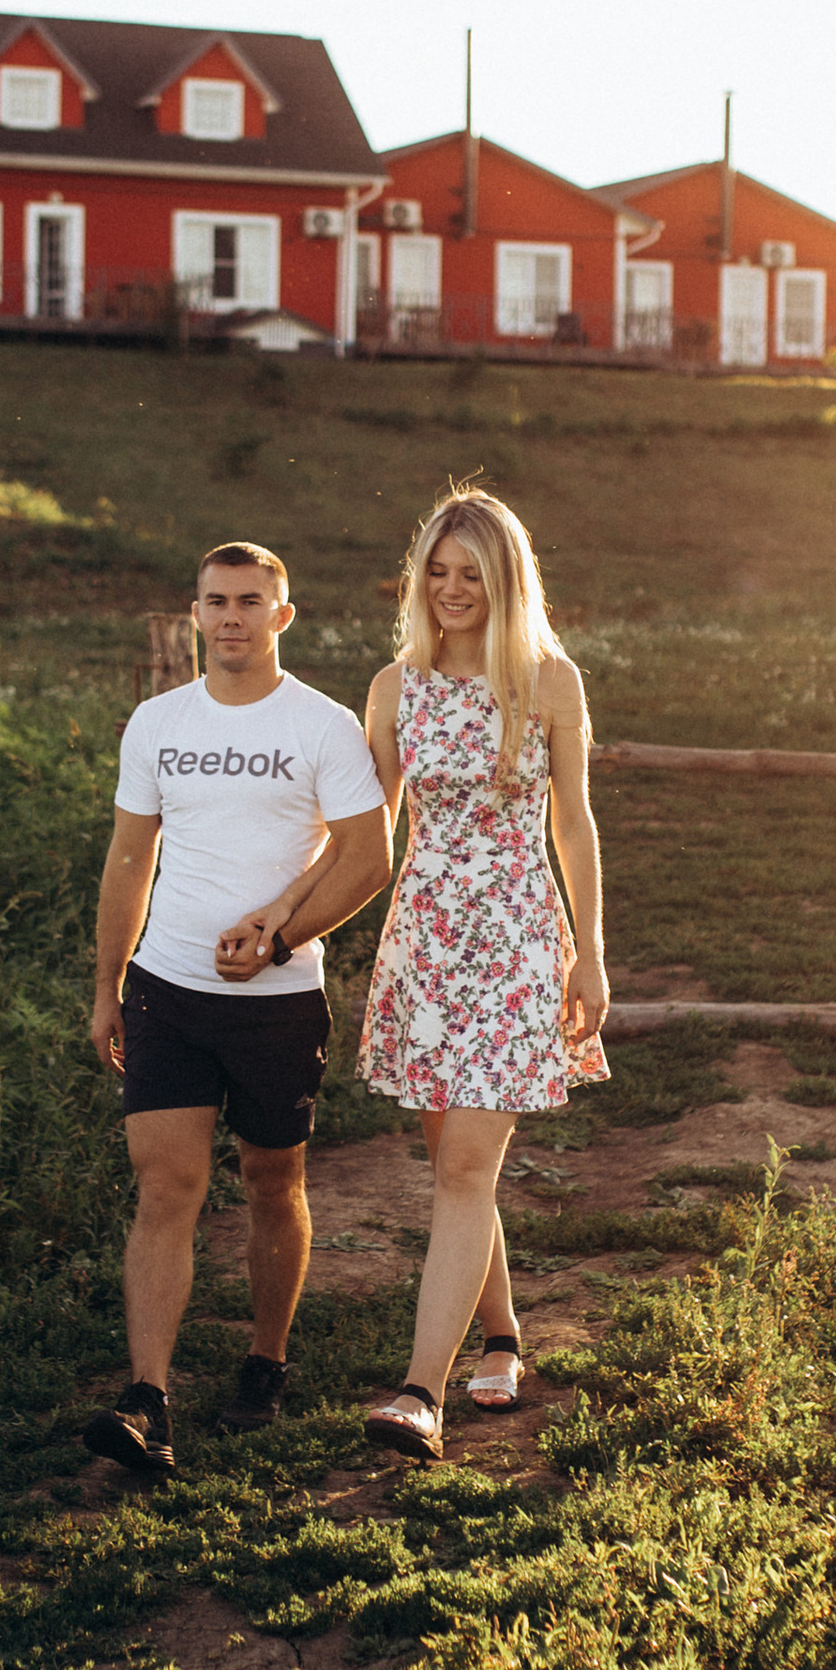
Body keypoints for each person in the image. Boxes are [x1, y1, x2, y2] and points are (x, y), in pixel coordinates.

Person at [82, 541, 392, 1481]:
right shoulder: (157, 722)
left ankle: (266, 1360)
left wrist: (283, 936)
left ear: (281, 616)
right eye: (215, 601)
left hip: (277, 1002)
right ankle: (149, 1400)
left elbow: (367, 860)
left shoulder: (325, 726)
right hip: (167, 990)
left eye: (250, 601)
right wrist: (108, 984)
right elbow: (130, 861)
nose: (231, 618)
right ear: (195, 613)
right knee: (165, 1188)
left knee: (270, 1182)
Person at [327, 488, 610, 1464]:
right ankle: (501, 1335)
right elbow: (364, 836)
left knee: (462, 1168)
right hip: (425, 942)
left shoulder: (548, 683)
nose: (451, 591)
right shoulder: (393, 688)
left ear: (505, 579)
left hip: (519, 939)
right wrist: (282, 918)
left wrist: (592, 950)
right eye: (436, 574)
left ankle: (418, 1392)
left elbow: (572, 821)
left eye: (470, 575)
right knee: (453, 1156)